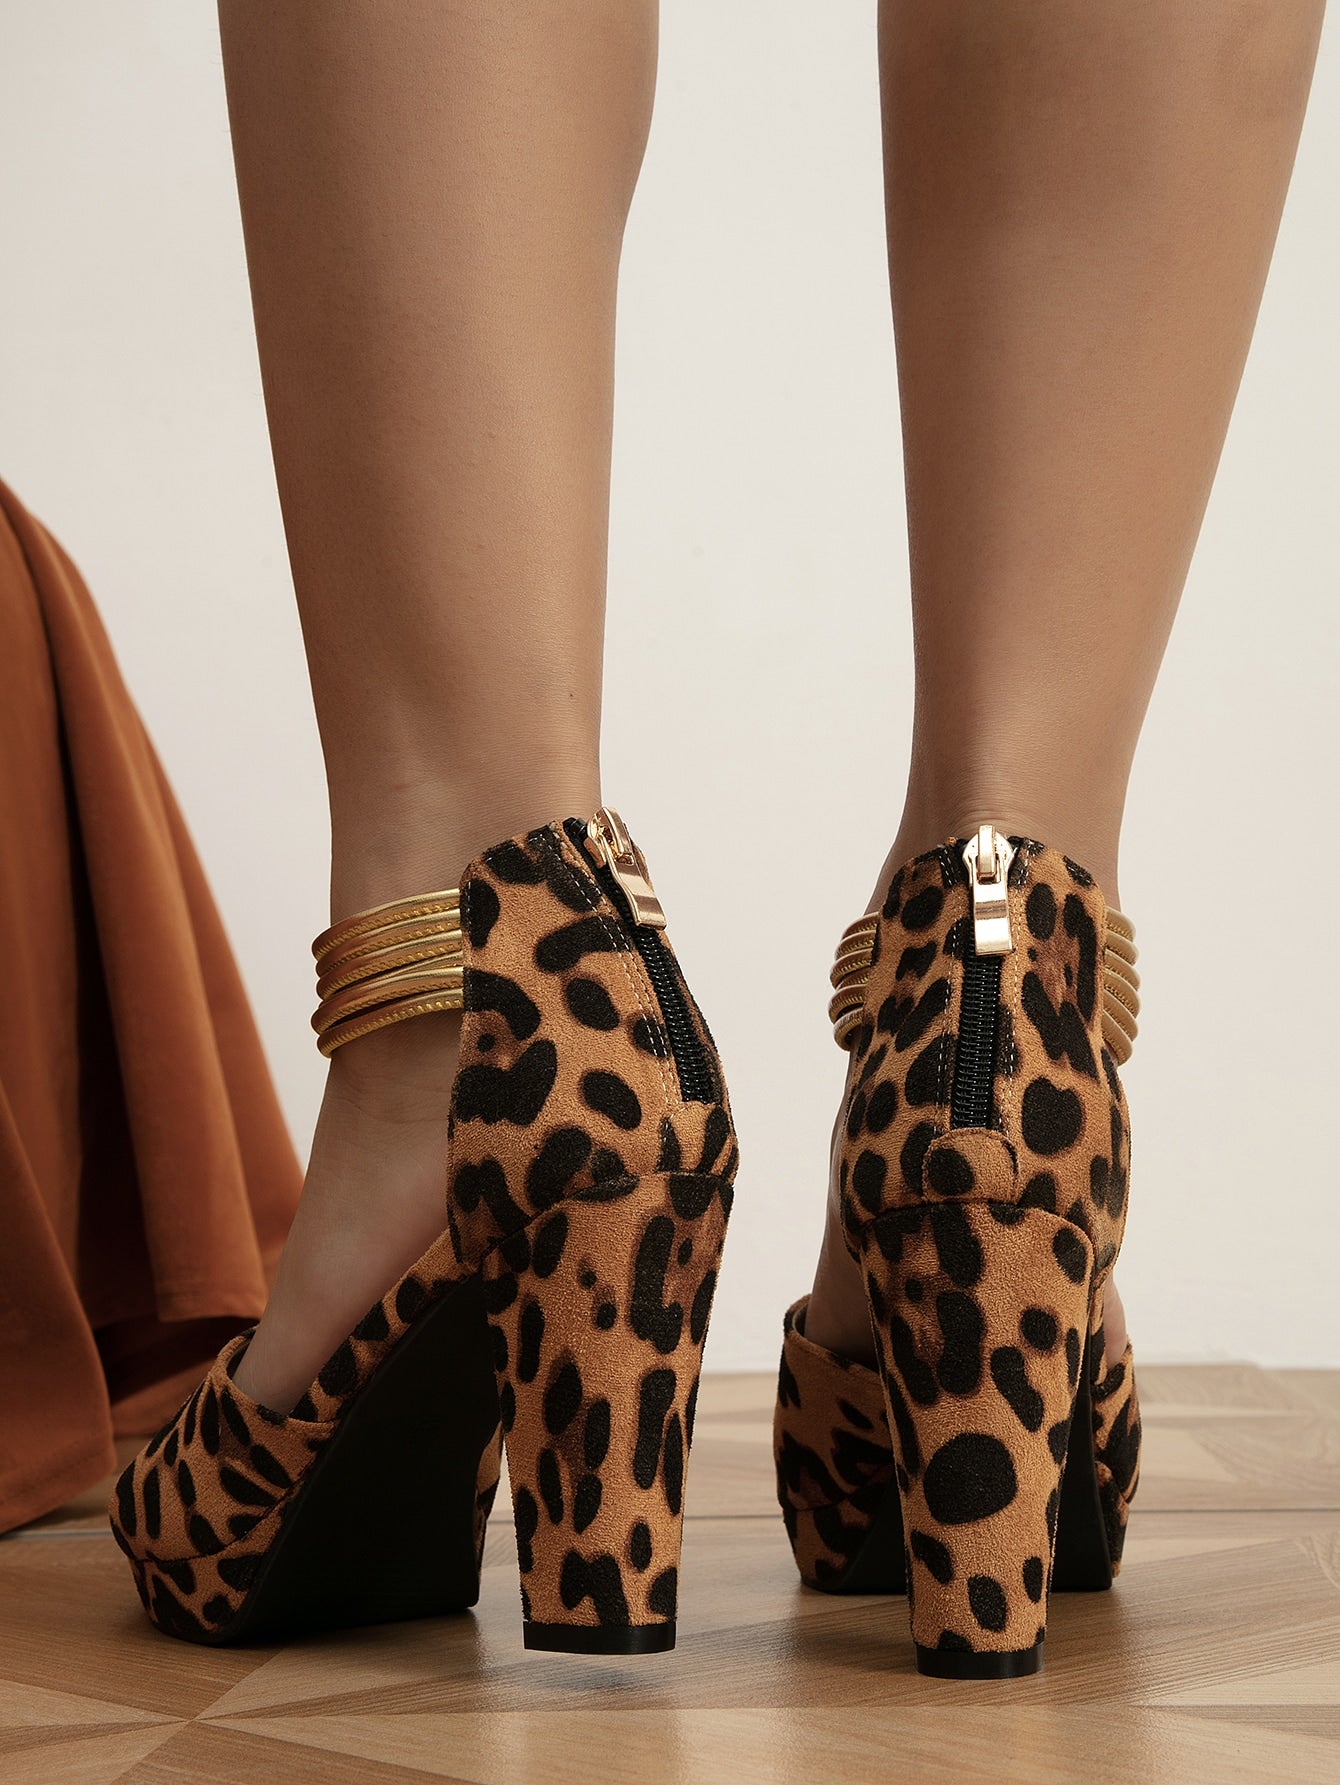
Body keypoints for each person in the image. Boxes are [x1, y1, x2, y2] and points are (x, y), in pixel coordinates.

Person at [110, 1, 1322, 1676]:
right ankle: (999, 1000)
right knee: (1011, 851)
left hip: (522, 1087)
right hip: (1014, 1079)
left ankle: (465, 1016)